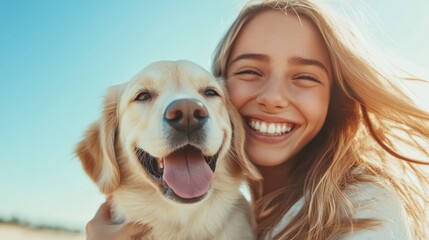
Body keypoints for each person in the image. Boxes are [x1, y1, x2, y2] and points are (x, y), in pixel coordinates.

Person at [85, 0, 429, 239]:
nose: (273, 98)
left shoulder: (367, 210)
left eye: (305, 77)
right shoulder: (251, 215)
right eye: (250, 71)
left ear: (335, 99)